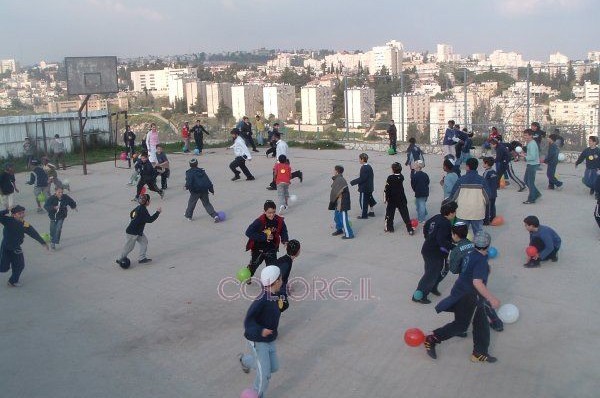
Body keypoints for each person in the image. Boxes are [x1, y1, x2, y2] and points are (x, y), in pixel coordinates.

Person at [424, 231, 501, 363]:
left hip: (461, 291)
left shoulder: (471, 253)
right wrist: (492, 298)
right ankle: (432, 339)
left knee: (481, 323)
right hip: (469, 297)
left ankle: (479, 352)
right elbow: (477, 282)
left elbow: (467, 269)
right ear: (488, 245)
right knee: (461, 325)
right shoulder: (481, 260)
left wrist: (486, 269)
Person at [448, 223, 503, 332]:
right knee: (481, 301)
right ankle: (497, 323)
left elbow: (453, 270)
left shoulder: (456, 251)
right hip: (479, 279)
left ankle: (461, 329)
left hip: (466, 282)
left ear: (455, 235)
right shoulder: (475, 246)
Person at [238, 265, 283, 398]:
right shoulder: (261, 300)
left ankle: (245, 361)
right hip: (258, 340)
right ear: (275, 281)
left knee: (274, 367)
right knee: (265, 374)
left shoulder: (274, 294)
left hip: (270, 339)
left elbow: (279, 302)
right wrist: (261, 330)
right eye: (281, 278)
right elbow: (248, 322)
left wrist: (284, 300)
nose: (282, 280)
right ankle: (256, 394)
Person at [412, 201, 457, 304]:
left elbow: (426, 226)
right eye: (454, 212)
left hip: (429, 250)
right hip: (434, 253)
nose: (455, 214)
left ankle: (432, 287)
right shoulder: (445, 223)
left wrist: (427, 237)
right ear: (450, 213)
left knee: (443, 269)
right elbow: (441, 240)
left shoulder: (437, 217)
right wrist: (454, 247)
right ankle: (419, 295)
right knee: (431, 274)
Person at [0, 205, 49, 287]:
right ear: (14, 215)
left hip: (16, 249)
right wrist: (7, 210)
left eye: (23, 213)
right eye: (19, 213)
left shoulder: (24, 224)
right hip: (6, 248)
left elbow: (33, 233)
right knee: (3, 268)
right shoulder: (7, 220)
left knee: (20, 265)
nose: (22, 215)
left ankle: (12, 281)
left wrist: (43, 243)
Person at [245, 200, 289, 278]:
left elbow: (283, 230)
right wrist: (264, 237)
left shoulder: (279, 220)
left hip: (271, 248)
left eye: (273, 212)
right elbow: (248, 232)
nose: (272, 215)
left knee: (272, 268)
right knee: (254, 265)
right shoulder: (259, 221)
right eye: (269, 213)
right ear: (264, 212)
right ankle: (248, 275)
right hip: (258, 249)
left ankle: (271, 283)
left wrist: (285, 241)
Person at [116, 194, 161, 268]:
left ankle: (142, 258)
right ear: (147, 202)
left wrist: (134, 220)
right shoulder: (143, 210)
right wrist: (157, 212)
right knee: (129, 247)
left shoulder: (139, 207)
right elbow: (150, 220)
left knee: (144, 241)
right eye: (149, 200)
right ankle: (120, 259)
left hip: (137, 231)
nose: (149, 201)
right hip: (133, 232)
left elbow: (132, 213)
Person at [449, 157, 490, 236]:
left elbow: (453, 197)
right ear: (477, 166)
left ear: (467, 167)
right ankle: (479, 247)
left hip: (462, 211)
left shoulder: (461, 180)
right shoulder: (482, 180)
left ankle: (462, 247)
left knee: (460, 234)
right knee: (479, 233)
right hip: (477, 212)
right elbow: (487, 198)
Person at [184, 158, 220, 222]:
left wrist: (186, 187)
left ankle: (189, 216)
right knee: (207, 204)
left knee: (191, 204)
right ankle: (215, 216)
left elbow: (189, 182)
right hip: (204, 190)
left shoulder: (189, 172)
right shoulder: (202, 171)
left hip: (195, 192)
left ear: (190, 165)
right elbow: (207, 180)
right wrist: (211, 189)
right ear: (197, 164)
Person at [384, 162, 415, 235]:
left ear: (393, 170)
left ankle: (389, 227)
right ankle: (409, 229)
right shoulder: (401, 177)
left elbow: (387, 189)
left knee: (390, 213)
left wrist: (385, 198)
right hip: (401, 198)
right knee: (405, 214)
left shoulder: (390, 178)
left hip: (392, 199)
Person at [275, 239, 301, 312]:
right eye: (299, 249)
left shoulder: (287, 259)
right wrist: (281, 294)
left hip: (278, 283)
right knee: (284, 305)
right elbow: (278, 279)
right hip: (276, 287)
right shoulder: (286, 263)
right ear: (297, 252)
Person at [329, 165, 354, 239]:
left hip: (342, 203)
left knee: (343, 218)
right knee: (337, 217)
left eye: (334, 170)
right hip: (338, 202)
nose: (333, 171)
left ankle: (349, 234)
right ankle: (339, 229)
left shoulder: (340, 179)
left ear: (336, 171)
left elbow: (338, 192)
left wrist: (332, 201)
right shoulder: (338, 178)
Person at [350, 153, 376, 219]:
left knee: (363, 201)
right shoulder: (369, 166)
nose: (359, 160)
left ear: (362, 159)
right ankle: (372, 212)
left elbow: (362, 179)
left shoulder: (364, 168)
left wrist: (353, 182)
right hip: (370, 187)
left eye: (359, 159)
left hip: (365, 188)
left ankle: (364, 215)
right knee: (370, 199)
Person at [519, 129, 541, 204]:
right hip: (530, 164)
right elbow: (531, 155)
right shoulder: (530, 143)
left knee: (530, 182)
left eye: (526, 135)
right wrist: (525, 154)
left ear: (531, 135)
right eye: (524, 135)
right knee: (526, 180)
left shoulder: (532, 144)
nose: (524, 137)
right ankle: (537, 193)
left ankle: (531, 198)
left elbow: (533, 157)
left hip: (533, 164)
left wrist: (524, 157)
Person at [482, 157, 498, 225]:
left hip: (488, 193)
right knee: (493, 206)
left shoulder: (486, 172)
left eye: (483, 163)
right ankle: (493, 218)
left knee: (487, 207)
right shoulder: (494, 172)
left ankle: (486, 221)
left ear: (487, 164)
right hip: (494, 192)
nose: (482, 164)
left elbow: (484, 182)